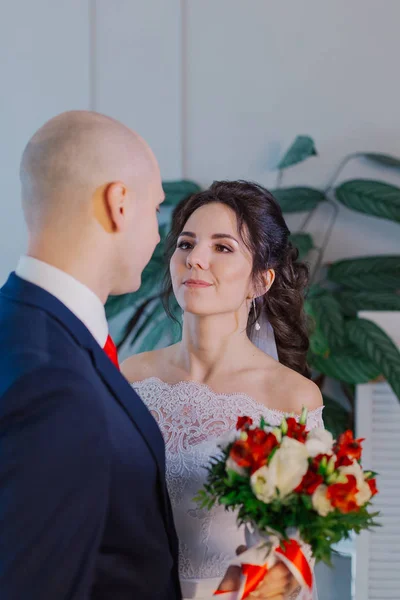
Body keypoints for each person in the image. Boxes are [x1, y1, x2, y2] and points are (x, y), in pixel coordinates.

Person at [0, 111, 294, 600]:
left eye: (223, 247)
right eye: (159, 213)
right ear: (119, 204)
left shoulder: (37, 337)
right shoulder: (56, 379)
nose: (166, 242)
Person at [122, 180, 324, 600]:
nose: (195, 259)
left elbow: (298, 550)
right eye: (186, 244)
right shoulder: (129, 378)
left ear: (261, 281)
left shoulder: (293, 398)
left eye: (223, 247)